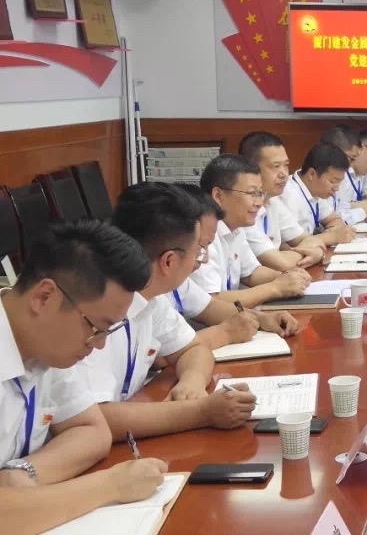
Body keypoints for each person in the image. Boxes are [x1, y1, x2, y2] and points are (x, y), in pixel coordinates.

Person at [1, 221, 169, 534]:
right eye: (96, 328)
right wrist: (110, 485)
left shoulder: (43, 347)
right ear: (44, 297)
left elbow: (93, 431)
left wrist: (22, 473)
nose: (99, 344)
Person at [75, 183, 256, 441]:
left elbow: (194, 348)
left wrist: (191, 382)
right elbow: (93, 419)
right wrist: (201, 412)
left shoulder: (151, 297)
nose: (202, 261)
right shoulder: (93, 307)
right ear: (168, 261)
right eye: (198, 251)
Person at [172, 184, 299, 349]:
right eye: (252, 193)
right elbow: (166, 355)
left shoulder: (177, 282)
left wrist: (262, 318)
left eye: (260, 193)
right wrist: (225, 333)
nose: (204, 258)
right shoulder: (150, 292)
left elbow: (209, 306)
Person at [190, 154, 311, 307]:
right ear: (218, 195)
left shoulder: (236, 228)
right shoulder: (201, 235)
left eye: (260, 193)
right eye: (252, 193)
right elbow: (210, 301)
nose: (259, 203)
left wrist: (286, 277)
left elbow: (251, 273)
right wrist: (275, 288)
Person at [237, 131, 328, 271]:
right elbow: (281, 263)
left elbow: (310, 240)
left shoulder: (274, 201)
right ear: (251, 169)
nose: (284, 174)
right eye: (276, 166)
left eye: (286, 165)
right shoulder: (243, 210)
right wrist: (312, 253)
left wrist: (317, 251)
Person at [280, 142, 356, 239]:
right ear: (311, 174)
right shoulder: (288, 194)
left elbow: (335, 219)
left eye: (339, 182)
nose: (337, 188)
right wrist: (329, 237)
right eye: (333, 181)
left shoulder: (314, 190)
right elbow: (285, 244)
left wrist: (330, 232)